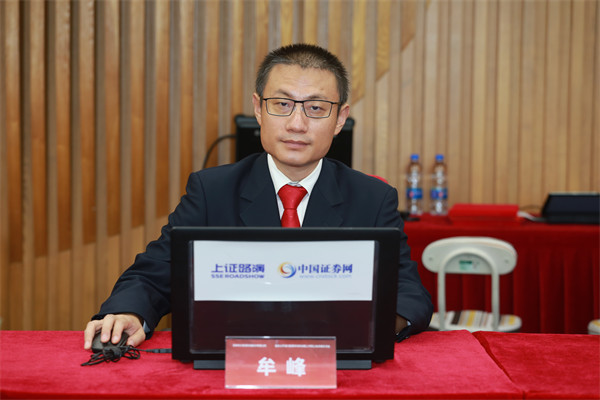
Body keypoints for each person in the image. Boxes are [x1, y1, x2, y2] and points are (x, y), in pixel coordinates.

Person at [84, 43, 432, 350]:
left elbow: (409, 294)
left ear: (340, 118)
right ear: (258, 109)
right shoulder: (212, 191)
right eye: (282, 104)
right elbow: (154, 272)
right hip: (230, 360)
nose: (297, 124)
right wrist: (128, 312)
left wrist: (367, 328)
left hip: (335, 364)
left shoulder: (373, 199)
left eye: (315, 108)